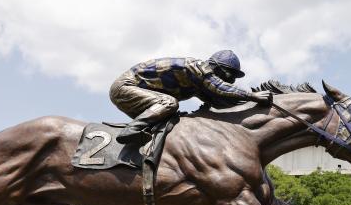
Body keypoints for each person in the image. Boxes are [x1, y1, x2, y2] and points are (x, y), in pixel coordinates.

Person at [110, 50, 273, 145]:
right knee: (169, 103)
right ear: (215, 67)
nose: (229, 80)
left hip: (136, 93)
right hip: (126, 87)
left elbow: (219, 102)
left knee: (171, 122)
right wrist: (252, 96)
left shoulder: (196, 86)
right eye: (229, 75)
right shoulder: (197, 67)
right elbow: (218, 87)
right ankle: (131, 130)